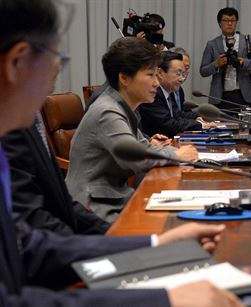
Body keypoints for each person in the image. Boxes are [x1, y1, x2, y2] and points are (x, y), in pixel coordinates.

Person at [0, 1, 241, 306]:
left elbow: (30, 246)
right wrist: (164, 299)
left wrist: (155, 245)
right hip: (90, 217)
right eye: (57, 61)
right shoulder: (97, 112)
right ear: (17, 63)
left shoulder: (20, 125)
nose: (53, 79)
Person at [66, 37, 198, 223]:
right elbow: (138, 158)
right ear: (124, 78)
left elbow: (143, 146)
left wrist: (168, 151)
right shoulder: (108, 111)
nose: (156, 83)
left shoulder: (124, 108)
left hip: (113, 196)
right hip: (92, 208)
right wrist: (178, 155)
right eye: (150, 75)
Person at [1, 117, 110, 235]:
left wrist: (110, 231)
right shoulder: (10, 128)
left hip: (67, 224)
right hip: (50, 238)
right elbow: (30, 218)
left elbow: (62, 203)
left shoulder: (30, 121)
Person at [200, 7, 251, 111]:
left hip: (244, 95)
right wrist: (216, 64)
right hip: (220, 97)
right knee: (220, 127)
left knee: (247, 127)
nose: (229, 23)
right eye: (226, 20)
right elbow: (203, 71)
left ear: (236, 22)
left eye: (232, 20)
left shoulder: (248, 40)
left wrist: (244, 62)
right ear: (219, 23)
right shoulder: (212, 44)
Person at [139, 51, 216, 138]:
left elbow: (178, 115)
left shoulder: (169, 92)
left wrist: (200, 117)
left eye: (183, 74)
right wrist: (200, 124)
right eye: (178, 73)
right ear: (160, 73)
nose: (182, 79)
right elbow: (168, 124)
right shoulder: (153, 94)